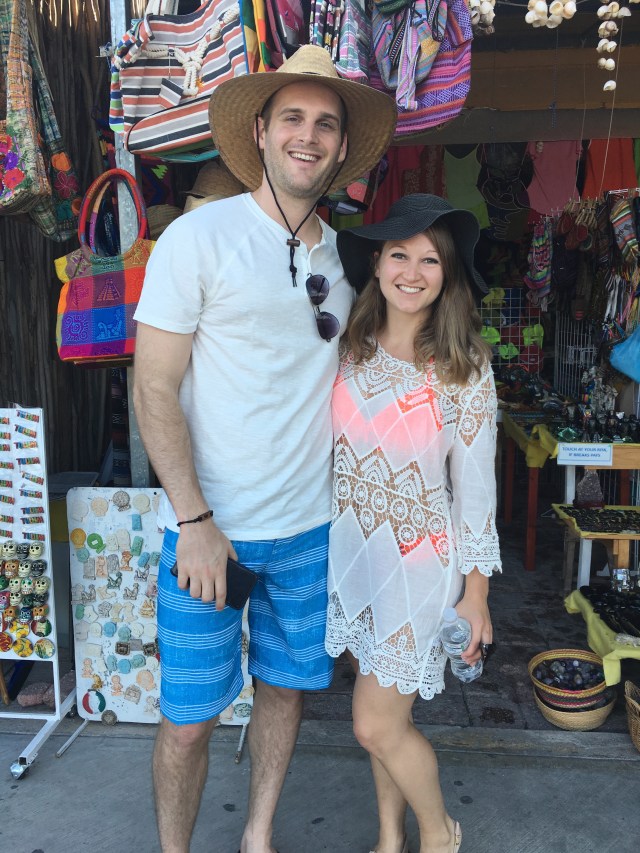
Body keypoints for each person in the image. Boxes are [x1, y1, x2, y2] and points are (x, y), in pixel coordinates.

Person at [132, 45, 396, 853]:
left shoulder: (354, 259)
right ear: (262, 130)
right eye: (293, 119)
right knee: (187, 720)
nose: (308, 137)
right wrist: (196, 517)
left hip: (311, 528)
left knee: (285, 693)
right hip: (208, 527)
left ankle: (258, 837)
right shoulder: (198, 238)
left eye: (325, 124)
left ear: (343, 147)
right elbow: (153, 386)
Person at [325, 194, 502, 853]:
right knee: (386, 711)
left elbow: (476, 491)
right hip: (355, 556)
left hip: (420, 566)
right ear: (376, 262)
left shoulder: (463, 368)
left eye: (430, 259)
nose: (412, 270)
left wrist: (476, 592)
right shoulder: (346, 346)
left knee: (375, 723)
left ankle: (438, 834)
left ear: (448, 274)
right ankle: (387, 839)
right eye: (400, 253)